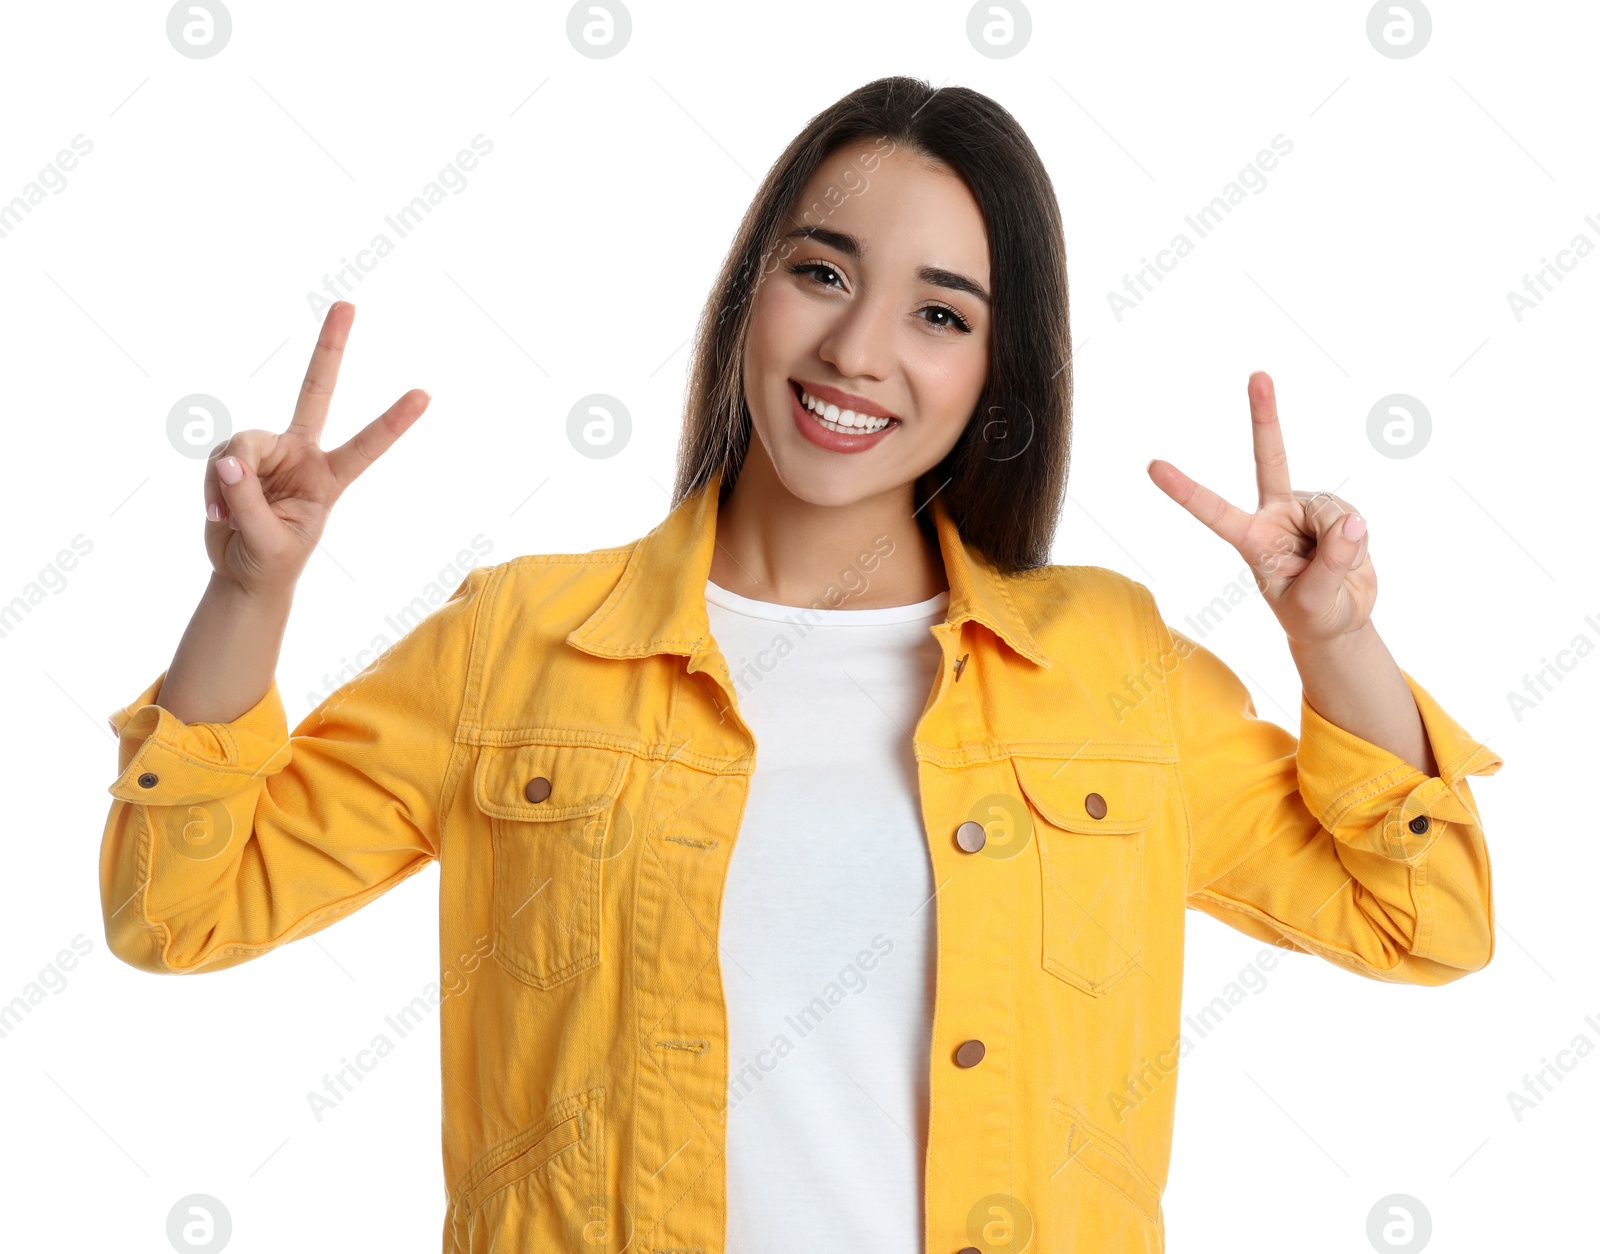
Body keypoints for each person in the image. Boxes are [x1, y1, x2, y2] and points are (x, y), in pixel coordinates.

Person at [99, 76, 1504, 1254]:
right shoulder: (519, 641)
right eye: (821, 272)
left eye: (940, 314)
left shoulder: (1108, 665)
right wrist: (248, 593)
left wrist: (1335, 640)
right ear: (749, 288)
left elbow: (1424, 918)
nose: (856, 349)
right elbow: (180, 910)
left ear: (999, 372)